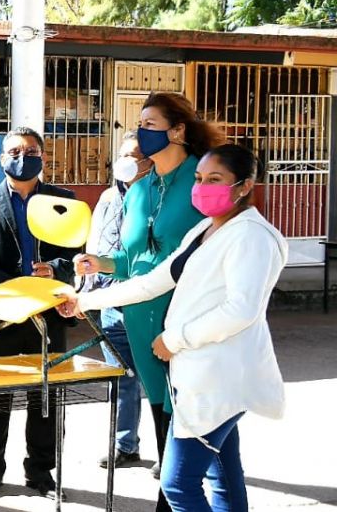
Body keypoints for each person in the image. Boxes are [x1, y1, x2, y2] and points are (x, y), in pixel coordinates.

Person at [59, 144, 286, 512]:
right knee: (223, 476)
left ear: (244, 186)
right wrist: (83, 301)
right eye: (199, 179)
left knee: (178, 485)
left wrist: (174, 339)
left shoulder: (251, 236)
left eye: (215, 179)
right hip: (203, 375)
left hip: (218, 377)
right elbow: (152, 282)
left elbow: (241, 309)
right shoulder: (205, 229)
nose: (202, 187)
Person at [74, 92, 225, 504]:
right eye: (138, 124)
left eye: (150, 124)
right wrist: (98, 264)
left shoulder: (203, 181)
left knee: (201, 433)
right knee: (164, 425)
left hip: (186, 324)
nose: (141, 133)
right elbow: (132, 261)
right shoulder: (139, 191)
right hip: (140, 321)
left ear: (178, 130)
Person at [0, 127, 77, 500]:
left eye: (30, 150)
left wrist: (57, 268)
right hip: (0, 312)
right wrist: (15, 289)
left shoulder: (65, 201)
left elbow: (77, 254)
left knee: (46, 397)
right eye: (14, 150)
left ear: (43, 157)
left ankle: (41, 473)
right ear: (1, 158)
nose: (21, 156)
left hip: (48, 313)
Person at [86, 131, 151, 469]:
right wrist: (87, 295)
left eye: (135, 155)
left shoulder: (160, 197)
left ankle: (172, 451)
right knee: (121, 379)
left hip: (148, 305)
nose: (127, 161)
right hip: (112, 305)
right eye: (123, 155)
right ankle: (125, 444)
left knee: (160, 383)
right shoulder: (110, 197)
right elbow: (95, 243)